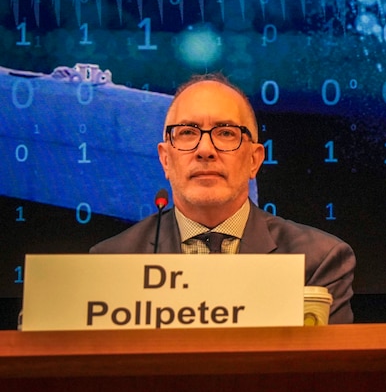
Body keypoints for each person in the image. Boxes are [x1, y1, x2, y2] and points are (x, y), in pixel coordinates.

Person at [91, 74, 356, 323]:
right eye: (187, 133)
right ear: (165, 160)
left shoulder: (317, 261)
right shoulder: (112, 264)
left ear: (254, 160)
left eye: (226, 133)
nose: (205, 150)